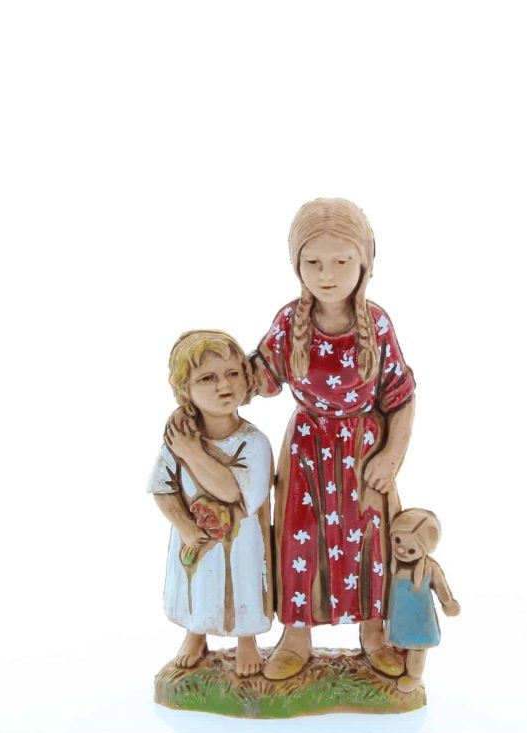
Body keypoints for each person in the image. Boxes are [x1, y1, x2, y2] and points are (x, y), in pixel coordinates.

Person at [252, 198, 417, 680]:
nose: (327, 274)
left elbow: (401, 396)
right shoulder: (290, 322)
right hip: (307, 448)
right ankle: (295, 637)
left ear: (364, 262)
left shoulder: (377, 324)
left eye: (342, 261)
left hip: (363, 450)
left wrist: (391, 456)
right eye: (314, 262)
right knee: (299, 539)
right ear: (296, 264)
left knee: (369, 540)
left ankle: (374, 633)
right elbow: (262, 376)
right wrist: (217, 383)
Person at [147, 330, 274, 676]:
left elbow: (233, 491)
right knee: (198, 584)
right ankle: (195, 635)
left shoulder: (253, 442)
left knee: (244, 584)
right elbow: (162, 488)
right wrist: (185, 527)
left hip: (243, 540)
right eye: (207, 378)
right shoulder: (177, 438)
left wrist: (191, 451)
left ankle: (247, 641)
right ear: (184, 389)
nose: (224, 386)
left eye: (233, 373)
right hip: (195, 537)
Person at [383, 509, 460, 692]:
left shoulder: (429, 568)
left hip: (419, 620)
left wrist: (448, 603)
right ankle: (399, 666)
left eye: (411, 549)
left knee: (417, 649)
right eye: (397, 541)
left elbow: (440, 586)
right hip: (399, 617)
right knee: (399, 645)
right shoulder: (392, 564)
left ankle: (413, 676)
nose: (401, 550)